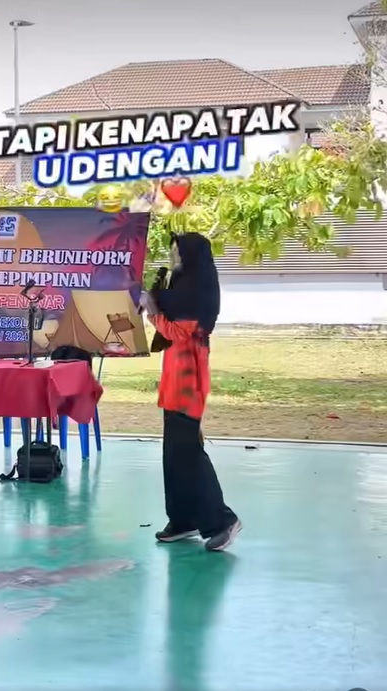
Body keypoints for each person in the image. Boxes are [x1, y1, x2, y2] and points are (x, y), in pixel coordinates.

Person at [139, 232, 241, 552]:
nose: (173, 259)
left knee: (188, 452)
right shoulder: (183, 286)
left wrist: (152, 309)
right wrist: (153, 302)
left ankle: (222, 520)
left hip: (188, 380)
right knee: (173, 454)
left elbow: (177, 331)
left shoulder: (199, 290)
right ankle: (182, 520)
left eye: (177, 253)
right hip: (175, 376)